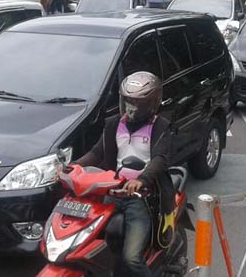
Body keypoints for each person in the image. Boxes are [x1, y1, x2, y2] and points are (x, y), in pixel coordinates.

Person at [74, 72, 176, 277]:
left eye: (138, 102)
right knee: (88, 248)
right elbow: (97, 153)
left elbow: (160, 159)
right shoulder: (113, 124)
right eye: (128, 100)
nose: (131, 106)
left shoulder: (161, 127)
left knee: (131, 258)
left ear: (151, 103)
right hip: (111, 192)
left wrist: (141, 180)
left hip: (141, 198)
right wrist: (73, 166)